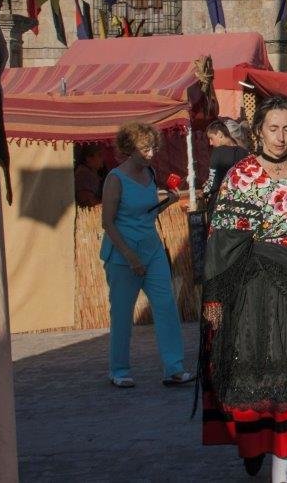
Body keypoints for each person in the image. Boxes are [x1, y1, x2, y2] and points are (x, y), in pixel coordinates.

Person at [201, 97, 287, 483]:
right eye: (272, 129)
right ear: (258, 131)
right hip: (253, 291)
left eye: (286, 129)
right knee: (257, 374)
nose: (280, 138)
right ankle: (252, 444)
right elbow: (222, 239)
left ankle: (280, 466)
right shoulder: (241, 175)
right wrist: (216, 298)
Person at [100, 122, 193, 389]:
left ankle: (174, 368)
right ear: (130, 149)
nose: (151, 153)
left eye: (153, 147)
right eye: (145, 148)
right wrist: (130, 258)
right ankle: (119, 369)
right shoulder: (115, 179)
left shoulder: (151, 174)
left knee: (165, 306)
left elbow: (146, 214)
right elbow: (108, 223)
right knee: (122, 312)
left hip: (151, 250)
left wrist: (168, 202)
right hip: (122, 255)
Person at [202, 118, 248, 214]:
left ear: (219, 134)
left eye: (211, 138)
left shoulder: (218, 152)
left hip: (221, 205)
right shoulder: (244, 152)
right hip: (242, 205)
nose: (210, 143)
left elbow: (212, 184)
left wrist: (203, 192)